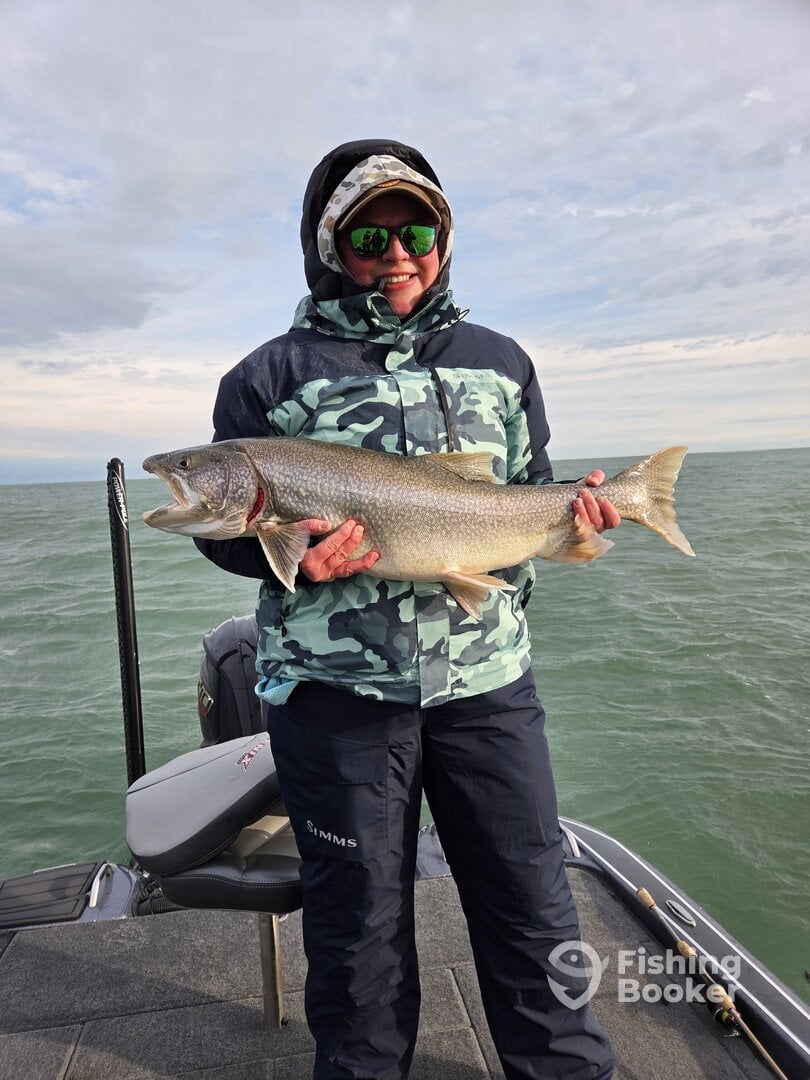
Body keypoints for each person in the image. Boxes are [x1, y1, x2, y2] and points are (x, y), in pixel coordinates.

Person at [196, 139, 618, 1080]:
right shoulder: (268, 376)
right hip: (334, 696)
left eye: (416, 233)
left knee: (532, 903)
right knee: (357, 926)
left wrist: (576, 518)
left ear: (443, 239)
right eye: (368, 237)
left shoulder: (501, 361)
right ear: (329, 246)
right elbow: (227, 533)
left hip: (487, 684)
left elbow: (531, 490)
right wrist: (293, 559)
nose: (396, 254)